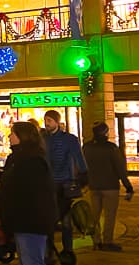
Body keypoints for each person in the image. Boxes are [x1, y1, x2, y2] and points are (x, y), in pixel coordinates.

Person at [0, 121, 58, 265]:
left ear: (22, 136)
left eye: (12, 133)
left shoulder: (31, 160)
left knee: (31, 260)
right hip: (22, 221)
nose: (9, 136)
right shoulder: (19, 157)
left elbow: (30, 191)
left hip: (30, 221)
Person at [42, 109, 86, 262]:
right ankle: (50, 252)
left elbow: (80, 160)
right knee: (49, 220)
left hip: (66, 184)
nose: (46, 123)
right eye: (45, 120)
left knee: (66, 221)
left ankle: (68, 251)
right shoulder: (43, 139)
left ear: (57, 122)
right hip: (48, 184)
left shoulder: (70, 139)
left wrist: (82, 179)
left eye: (49, 120)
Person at [82, 122, 133, 251]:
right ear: (106, 133)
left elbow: (82, 167)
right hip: (110, 186)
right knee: (110, 215)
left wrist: (83, 183)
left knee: (94, 215)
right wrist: (128, 186)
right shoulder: (111, 148)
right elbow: (120, 169)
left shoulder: (87, 147)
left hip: (93, 185)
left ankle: (96, 240)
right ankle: (107, 241)